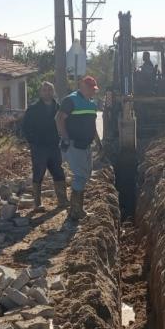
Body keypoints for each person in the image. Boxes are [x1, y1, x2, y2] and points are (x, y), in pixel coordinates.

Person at [56, 75, 102, 221]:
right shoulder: (71, 100)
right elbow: (59, 119)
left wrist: (98, 141)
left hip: (86, 145)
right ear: (82, 86)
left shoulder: (92, 104)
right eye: (91, 89)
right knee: (80, 176)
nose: (93, 92)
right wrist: (65, 138)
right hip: (74, 144)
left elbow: (92, 125)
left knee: (85, 175)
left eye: (94, 89)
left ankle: (76, 208)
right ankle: (75, 211)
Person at [22, 81, 69, 211]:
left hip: (54, 146)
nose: (47, 92)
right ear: (40, 92)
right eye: (44, 90)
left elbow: (64, 124)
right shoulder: (33, 109)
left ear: (53, 92)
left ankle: (63, 201)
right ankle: (37, 204)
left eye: (49, 90)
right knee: (38, 173)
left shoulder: (58, 108)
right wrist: (33, 142)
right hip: (39, 147)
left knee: (58, 172)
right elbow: (25, 128)